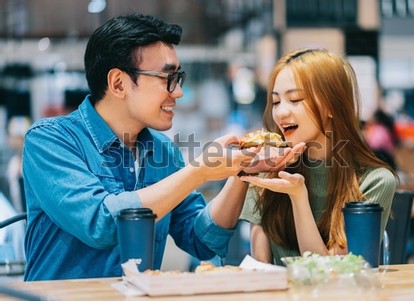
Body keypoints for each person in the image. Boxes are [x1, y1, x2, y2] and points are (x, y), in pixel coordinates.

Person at [21, 14, 301, 281]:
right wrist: (197, 172)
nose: (177, 92)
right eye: (168, 78)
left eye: (178, 79)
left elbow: (201, 241)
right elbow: (101, 222)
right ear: (118, 83)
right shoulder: (50, 140)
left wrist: (240, 173)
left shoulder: (162, 151)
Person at [239, 48, 397, 266]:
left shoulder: (374, 181)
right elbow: (261, 267)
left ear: (331, 105)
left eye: (295, 99)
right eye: (276, 102)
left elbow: (331, 275)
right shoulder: (268, 168)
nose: (281, 112)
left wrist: (298, 197)